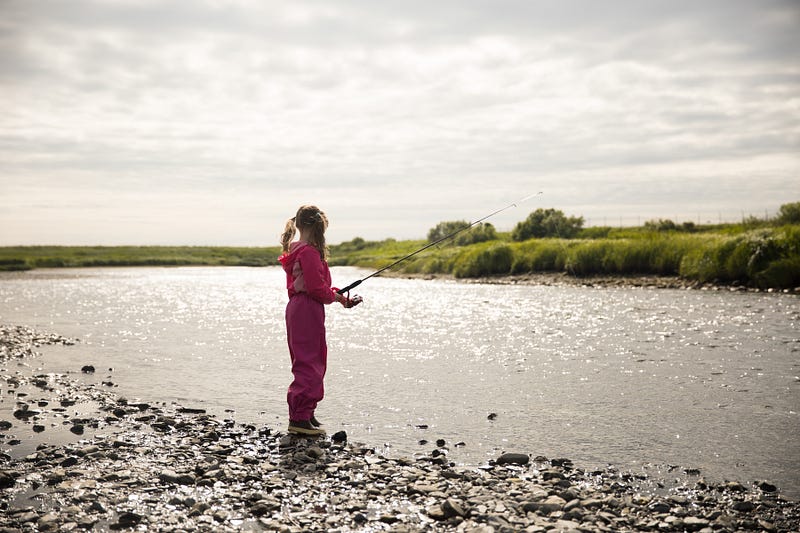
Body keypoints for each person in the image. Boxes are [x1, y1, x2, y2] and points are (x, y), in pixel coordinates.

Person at [278, 205, 361, 436]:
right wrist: (338, 298)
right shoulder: (309, 252)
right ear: (319, 226)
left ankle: (305, 413)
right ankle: (299, 418)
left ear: (298, 224)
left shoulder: (298, 249)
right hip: (307, 309)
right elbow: (316, 289)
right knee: (309, 361)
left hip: (301, 307)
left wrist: (340, 299)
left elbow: (314, 286)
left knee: (312, 359)